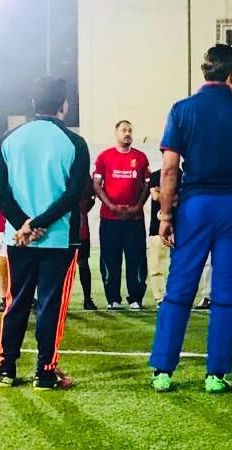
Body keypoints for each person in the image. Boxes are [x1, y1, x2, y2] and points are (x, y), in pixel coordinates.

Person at [148, 44, 232, 393]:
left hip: (195, 207)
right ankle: (216, 374)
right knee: (227, 294)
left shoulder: (181, 109)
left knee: (179, 289)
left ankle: (163, 370)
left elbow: (169, 168)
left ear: (205, 72)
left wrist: (165, 215)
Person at [0, 76, 88, 390]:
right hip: (59, 239)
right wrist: (40, 222)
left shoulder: (10, 138)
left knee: (16, 301)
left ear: (33, 103)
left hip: (19, 238)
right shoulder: (74, 142)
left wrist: (24, 224)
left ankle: (6, 368)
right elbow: (75, 194)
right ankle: (45, 373)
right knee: (50, 305)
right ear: (64, 105)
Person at [93, 120, 150, 309]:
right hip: (109, 220)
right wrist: (111, 206)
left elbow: (147, 185)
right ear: (116, 133)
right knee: (110, 259)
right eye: (123, 130)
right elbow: (96, 185)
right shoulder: (104, 156)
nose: (127, 133)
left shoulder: (140, 158)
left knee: (136, 259)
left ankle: (135, 298)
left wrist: (137, 207)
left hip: (135, 220)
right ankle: (113, 299)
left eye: (130, 130)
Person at [145, 170, 170, 304]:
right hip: (156, 228)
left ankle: (176, 296)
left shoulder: (183, 175)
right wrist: (172, 196)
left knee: (179, 266)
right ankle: (160, 298)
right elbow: (155, 196)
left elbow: (183, 198)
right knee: (155, 266)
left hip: (179, 228)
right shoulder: (156, 175)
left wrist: (161, 192)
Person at [74, 192, 98, 310]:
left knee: (83, 264)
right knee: (60, 266)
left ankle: (87, 299)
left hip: (81, 231)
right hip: (64, 231)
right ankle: (58, 299)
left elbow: (91, 199)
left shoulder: (84, 183)